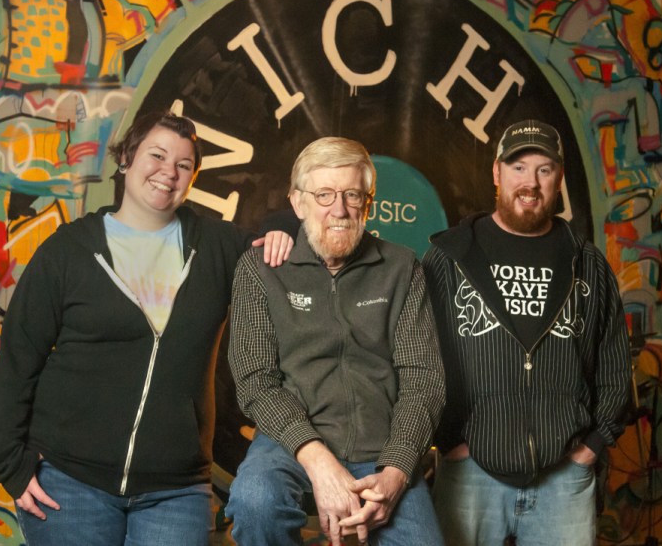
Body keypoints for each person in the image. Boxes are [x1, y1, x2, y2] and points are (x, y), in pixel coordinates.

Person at [0, 110, 294, 546]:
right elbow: (17, 359)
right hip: (69, 481)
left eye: (184, 165)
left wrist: (283, 228)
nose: (169, 172)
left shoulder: (219, 248)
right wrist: (9, 464)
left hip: (176, 491)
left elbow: (293, 231)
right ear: (127, 157)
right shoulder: (69, 250)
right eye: (157, 155)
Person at [225, 136, 446, 546]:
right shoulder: (262, 268)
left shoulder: (401, 268)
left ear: (369, 202)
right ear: (297, 203)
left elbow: (423, 379)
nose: (339, 210)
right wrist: (319, 462)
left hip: (382, 447)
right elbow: (255, 380)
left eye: (351, 195)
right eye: (324, 194)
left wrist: (397, 470)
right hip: (288, 442)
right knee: (256, 499)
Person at [423, 119, 632, 545]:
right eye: (518, 168)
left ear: (559, 178)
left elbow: (615, 368)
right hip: (469, 475)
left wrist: (590, 447)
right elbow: (418, 358)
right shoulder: (449, 259)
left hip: (563, 481)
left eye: (544, 169)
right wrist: (447, 442)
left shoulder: (587, 264)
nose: (530, 183)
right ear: (497, 173)